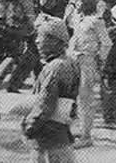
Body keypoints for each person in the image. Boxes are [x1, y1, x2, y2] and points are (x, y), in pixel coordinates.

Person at [23, 16, 80, 163]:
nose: (37, 41)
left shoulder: (54, 68)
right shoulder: (70, 63)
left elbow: (45, 104)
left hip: (47, 137)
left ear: (55, 40)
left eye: (40, 37)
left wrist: (30, 126)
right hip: (61, 134)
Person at [66, 0, 112, 148]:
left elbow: (106, 43)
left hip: (87, 61)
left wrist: (100, 59)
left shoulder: (96, 21)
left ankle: (86, 136)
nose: (77, 4)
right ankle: (78, 130)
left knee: (85, 99)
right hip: (74, 60)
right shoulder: (78, 18)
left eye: (79, 1)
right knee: (73, 97)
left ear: (87, 4)